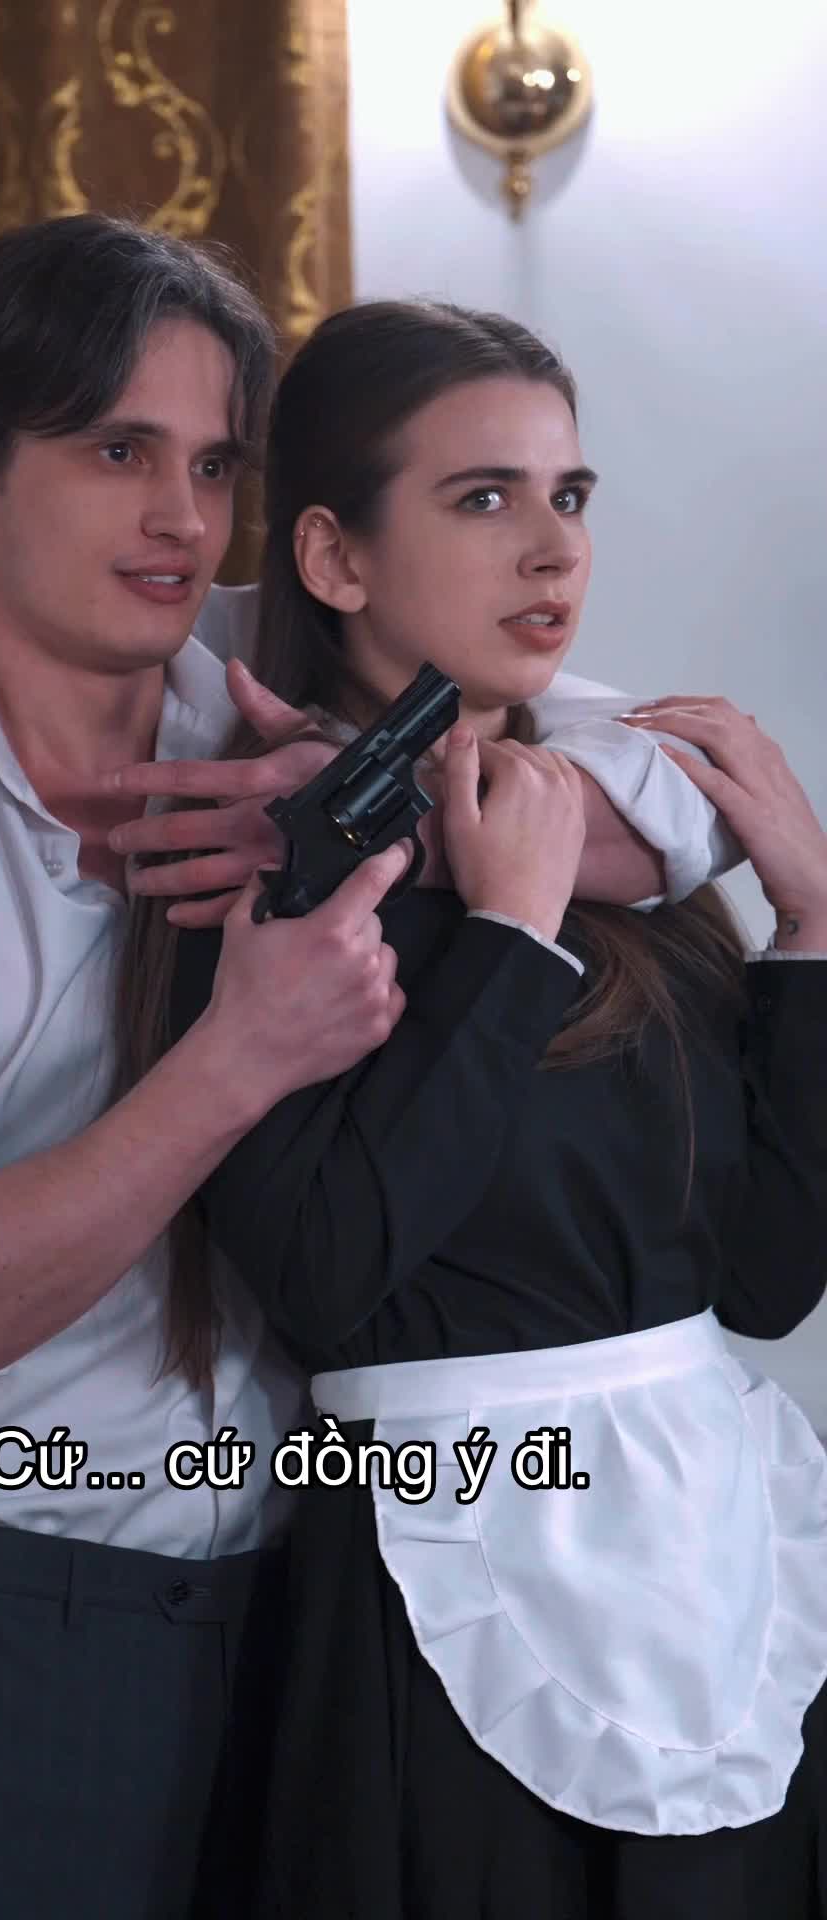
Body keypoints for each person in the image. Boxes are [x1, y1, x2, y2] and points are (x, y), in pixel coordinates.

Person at [0, 216, 739, 1920]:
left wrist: (408, 820)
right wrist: (242, 1055)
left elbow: (671, 779)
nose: (184, 520)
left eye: (214, 464)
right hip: (16, 1623)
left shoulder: (268, 684)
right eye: (117, 452)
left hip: (332, 1598)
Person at [137, 299, 827, 1917]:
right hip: (432, 1605)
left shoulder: (639, 867)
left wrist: (811, 930)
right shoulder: (276, 880)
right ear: (334, 556)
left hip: (712, 1581)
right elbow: (324, 1278)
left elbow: (766, 1280)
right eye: (483, 498)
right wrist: (506, 938)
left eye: (568, 495)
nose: (552, 549)